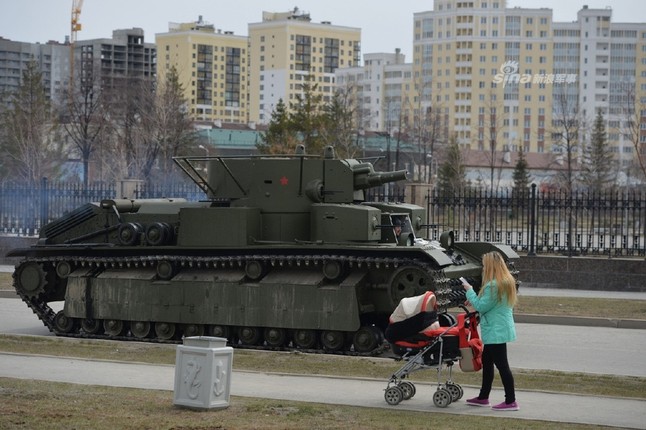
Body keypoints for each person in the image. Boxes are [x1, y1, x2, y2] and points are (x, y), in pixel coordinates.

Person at [461, 251, 519, 411]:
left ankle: (511, 401)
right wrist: (474, 299)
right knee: (487, 363)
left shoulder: (494, 285)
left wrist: (469, 290)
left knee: (502, 366)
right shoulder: (505, 281)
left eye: (485, 265)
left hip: (496, 331)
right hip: (499, 328)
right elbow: (486, 303)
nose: (483, 267)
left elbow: (481, 306)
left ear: (491, 266)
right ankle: (483, 397)